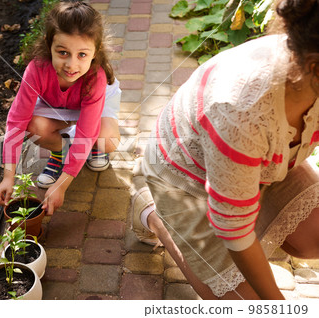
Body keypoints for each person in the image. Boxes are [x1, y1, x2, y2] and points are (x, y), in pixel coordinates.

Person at [132, 0, 319, 300]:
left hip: (268, 161)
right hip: (186, 173)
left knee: (313, 239)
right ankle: (151, 208)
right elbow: (235, 230)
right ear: (315, 68)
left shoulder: (303, 68)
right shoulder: (240, 111)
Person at [0, 1, 121, 214]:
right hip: (55, 105)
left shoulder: (95, 77)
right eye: (63, 52)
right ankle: (60, 154)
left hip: (91, 107)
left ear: (95, 51)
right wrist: (8, 177)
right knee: (34, 127)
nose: (71, 65)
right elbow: (16, 122)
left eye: (82, 55)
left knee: (106, 140)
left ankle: (88, 153)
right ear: (49, 44)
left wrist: (61, 185)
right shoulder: (37, 69)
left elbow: (87, 131)